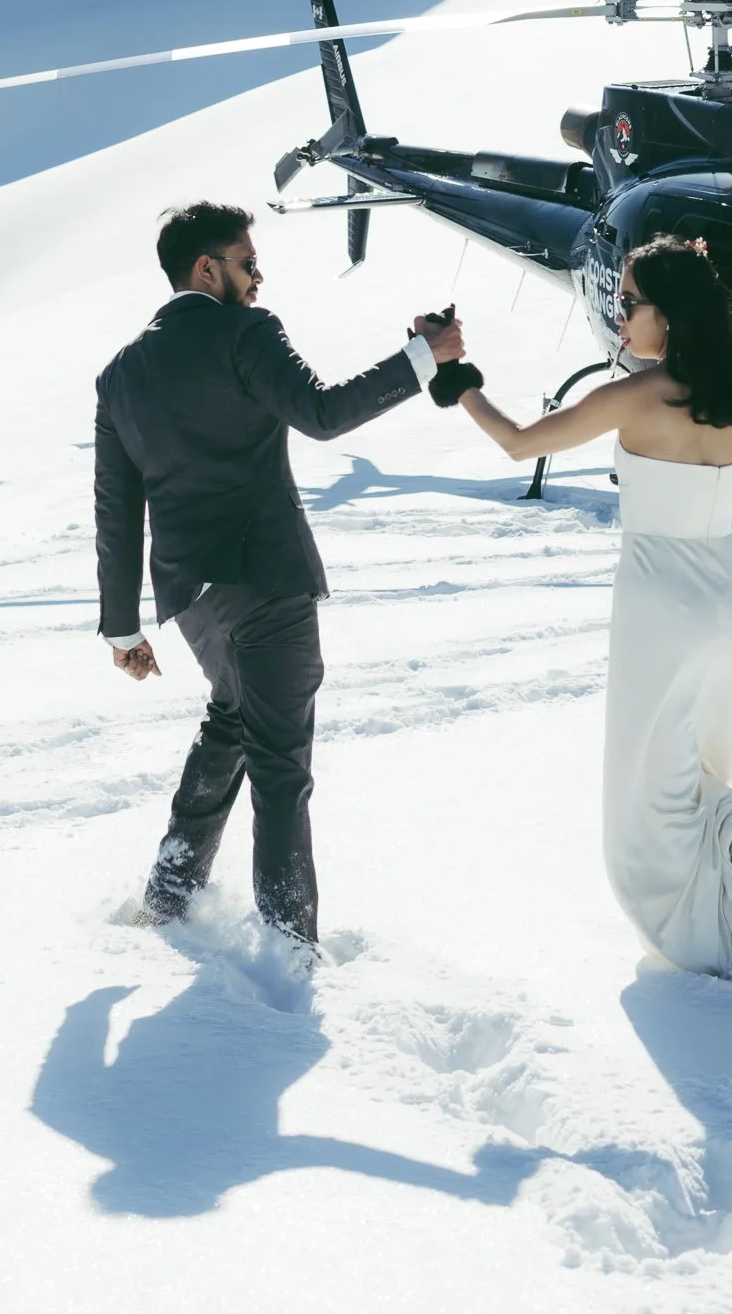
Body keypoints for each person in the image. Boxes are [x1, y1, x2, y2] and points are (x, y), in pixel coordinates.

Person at [436, 235, 732, 975]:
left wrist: (456, 377)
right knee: (695, 766)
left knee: (648, 787)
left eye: (628, 302)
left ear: (669, 312)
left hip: (657, 603)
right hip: (726, 593)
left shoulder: (634, 396)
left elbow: (517, 443)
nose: (617, 314)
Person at [94, 199, 465, 945]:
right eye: (247, 261)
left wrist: (123, 628)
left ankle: (168, 899)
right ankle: (287, 951)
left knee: (229, 724)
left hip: (191, 602)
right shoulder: (245, 333)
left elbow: (116, 506)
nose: (259, 278)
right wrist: (425, 357)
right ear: (207, 268)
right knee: (281, 771)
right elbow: (322, 413)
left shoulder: (120, 374)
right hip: (266, 584)